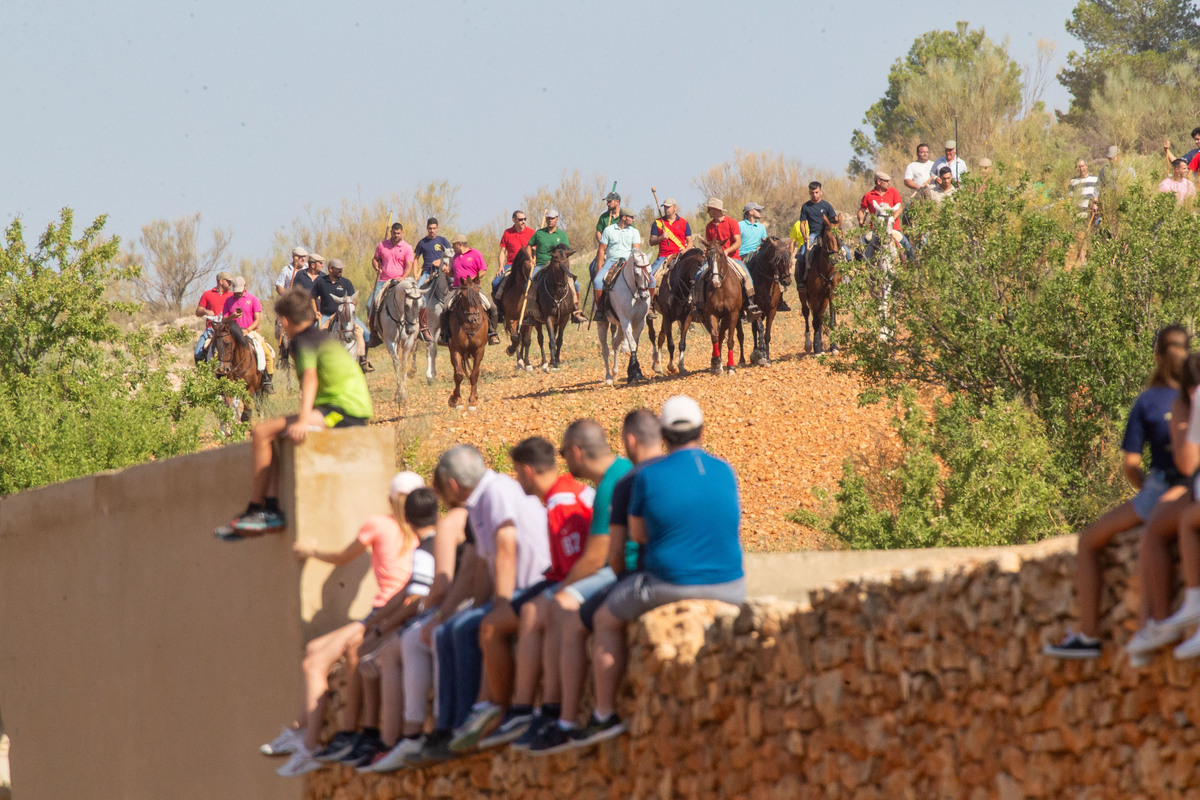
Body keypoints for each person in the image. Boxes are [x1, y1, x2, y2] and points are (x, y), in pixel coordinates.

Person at [585, 396, 745, 746]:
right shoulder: (725, 470)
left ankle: (603, 713)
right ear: (701, 431)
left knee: (603, 620)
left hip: (670, 585)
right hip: (733, 586)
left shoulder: (648, 476)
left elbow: (639, 536)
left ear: (665, 435)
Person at [1043, 325, 1192, 659]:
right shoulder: (1192, 396)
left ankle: (1089, 635)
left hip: (1161, 485)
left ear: (1156, 356)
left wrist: (1147, 496)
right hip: (1192, 486)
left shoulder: (1148, 401)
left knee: (1088, 541)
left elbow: (1130, 464)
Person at [269, 472, 429, 776]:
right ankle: (301, 733)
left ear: (390, 499)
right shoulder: (421, 532)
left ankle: (310, 740)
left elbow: (344, 556)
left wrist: (310, 551)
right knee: (316, 650)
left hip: (382, 612)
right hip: (400, 610)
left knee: (317, 659)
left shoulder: (380, 524)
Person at [458, 436, 595, 752]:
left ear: (527, 471)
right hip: (557, 577)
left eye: (518, 472)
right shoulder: (573, 491)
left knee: (493, 625)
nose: (517, 479)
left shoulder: (560, 502)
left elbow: (574, 562)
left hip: (567, 584)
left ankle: (511, 708)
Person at [415, 445, 551, 762]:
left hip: (533, 587)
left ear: (451, 484)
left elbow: (505, 549)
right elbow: (477, 567)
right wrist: (443, 613)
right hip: (515, 591)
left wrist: (500, 605)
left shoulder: (496, 492)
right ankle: (447, 727)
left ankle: (471, 718)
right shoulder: (479, 502)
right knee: (448, 629)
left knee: (464, 630)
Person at [513, 417, 639, 755]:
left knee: (560, 606)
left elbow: (597, 556)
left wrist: (563, 587)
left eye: (565, 453)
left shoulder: (611, 485)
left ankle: (558, 715)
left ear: (577, 451)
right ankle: (552, 712)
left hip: (626, 570)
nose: (564, 462)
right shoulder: (613, 478)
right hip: (628, 568)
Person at [215, 287, 373, 536]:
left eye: (280, 321)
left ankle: (261, 510)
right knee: (270, 433)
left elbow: (310, 378)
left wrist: (303, 418)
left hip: (343, 411)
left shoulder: (301, 341)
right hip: (349, 407)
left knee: (262, 432)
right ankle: (269, 508)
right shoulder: (319, 337)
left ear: (285, 320)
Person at [691, 197, 762, 321]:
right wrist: (707, 251)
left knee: (747, 277)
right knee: (698, 276)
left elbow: (738, 242)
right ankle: (699, 305)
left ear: (716, 210)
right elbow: (710, 244)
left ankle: (750, 305)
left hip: (732, 257)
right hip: (714, 259)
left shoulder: (732, 222)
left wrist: (727, 251)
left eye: (710, 209)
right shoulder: (709, 226)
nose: (708, 212)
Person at [439, 233, 500, 345]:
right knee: (444, 308)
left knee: (493, 307)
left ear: (460, 244)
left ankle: (492, 333)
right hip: (457, 288)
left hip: (473, 287)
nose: (452, 247)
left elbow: (483, 270)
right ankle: (445, 335)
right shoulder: (455, 257)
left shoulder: (476, 254)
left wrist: (472, 280)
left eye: (454, 245)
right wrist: (447, 272)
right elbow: (453, 273)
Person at [313, 258, 373, 372]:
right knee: (315, 332)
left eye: (341, 269)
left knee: (365, 333)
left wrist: (350, 304)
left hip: (346, 315)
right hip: (327, 314)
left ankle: (363, 360)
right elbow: (313, 297)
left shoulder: (346, 282)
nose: (340, 271)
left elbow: (354, 299)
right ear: (330, 269)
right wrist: (316, 311)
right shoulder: (321, 282)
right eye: (338, 269)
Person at [220, 276, 276, 391]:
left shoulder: (253, 299)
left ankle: (267, 381)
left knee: (267, 353)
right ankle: (219, 377)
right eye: (236, 292)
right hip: (232, 333)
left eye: (240, 292)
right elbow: (224, 319)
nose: (238, 294)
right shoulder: (229, 300)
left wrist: (248, 330)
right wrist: (232, 317)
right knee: (219, 351)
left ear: (245, 287)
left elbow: (257, 320)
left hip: (250, 331)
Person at [529, 210, 585, 322]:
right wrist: (530, 258)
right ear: (545, 219)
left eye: (552, 218)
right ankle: (530, 312)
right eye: (548, 218)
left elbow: (564, 252)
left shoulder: (562, 235)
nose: (550, 220)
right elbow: (528, 246)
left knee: (576, 284)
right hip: (541, 264)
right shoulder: (539, 233)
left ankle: (575, 310)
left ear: (557, 219)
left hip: (557, 266)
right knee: (530, 283)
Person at [369, 223, 416, 340]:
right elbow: (375, 259)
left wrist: (404, 277)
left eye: (398, 233)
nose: (396, 235)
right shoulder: (382, 245)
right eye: (394, 233)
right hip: (384, 280)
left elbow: (409, 265)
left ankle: (421, 329)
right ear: (391, 232)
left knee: (418, 300)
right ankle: (374, 334)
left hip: (400, 281)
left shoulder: (407, 248)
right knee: (369, 304)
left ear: (402, 233)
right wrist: (377, 267)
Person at [790, 182, 841, 284]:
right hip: (813, 234)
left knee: (845, 251)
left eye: (816, 192)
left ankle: (849, 276)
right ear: (809, 193)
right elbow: (802, 223)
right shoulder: (806, 207)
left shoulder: (827, 206)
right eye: (812, 193)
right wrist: (804, 235)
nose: (814, 195)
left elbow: (835, 220)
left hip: (827, 233)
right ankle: (803, 278)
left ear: (821, 192)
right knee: (803, 253)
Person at [593, 209, 642, 311]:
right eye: (631, 217)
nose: (633, 220)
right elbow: (601, 250)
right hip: (611, 262)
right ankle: (600, 310)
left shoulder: (634, 232)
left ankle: (647, 307)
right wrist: (599, 269)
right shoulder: (608, 230)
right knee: (597, 281)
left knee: (651, 281)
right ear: (624, 217)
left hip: (629, 262)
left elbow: (636, 251)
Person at [857, 172, 912, 260]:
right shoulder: (868, 196)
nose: (888, 183)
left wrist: (891, 220)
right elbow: (861, 210)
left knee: (909, 248)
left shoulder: (893, 191)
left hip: (893, 230)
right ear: (879, 181)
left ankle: (911, 269)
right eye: (886, 181)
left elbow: (899, 208)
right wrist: (861, 219)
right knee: (859, 249)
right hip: (875, 231)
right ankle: (859, 270)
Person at [492, 210, 536, 303]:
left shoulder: (531, 232)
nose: (523, 221)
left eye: (525, 219)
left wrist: (532, 261)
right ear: (514, 220)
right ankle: (497, 309)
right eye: (520, 219)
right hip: (511, 264)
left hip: (527, 264)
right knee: (496, 282)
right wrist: (500, 266)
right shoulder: (507, 233)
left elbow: (535, 250)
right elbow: (503, 251)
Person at [194, 270, 232, 362]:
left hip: (227, 329)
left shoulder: (232, 296)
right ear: (221, 281)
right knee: (197, 353)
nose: (230, 283)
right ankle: (202, 374)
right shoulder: (207, 294)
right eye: (228, 281)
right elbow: (198, 312)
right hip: (211, 329)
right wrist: (206, 311)